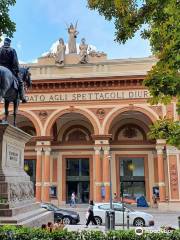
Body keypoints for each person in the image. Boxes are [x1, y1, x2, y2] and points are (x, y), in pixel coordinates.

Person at [0, 37, 27, 103]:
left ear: (4, 43)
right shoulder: (12, 50)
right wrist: (17, 71)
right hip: (10, 70)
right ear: (9, 43)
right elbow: (15, 62)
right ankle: (22, 97)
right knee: (20, 82)